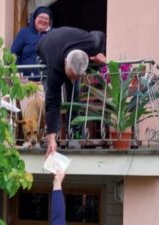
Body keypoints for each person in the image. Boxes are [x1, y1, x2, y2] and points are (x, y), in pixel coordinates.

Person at [36, 27, 107, 157]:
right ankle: (52, 136)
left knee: (74, 93)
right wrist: (52, 140)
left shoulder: (91, 43)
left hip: (70, 39)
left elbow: (99, 33)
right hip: (46, 45)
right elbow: (53, 104)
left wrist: (100, 53)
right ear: (64, 64)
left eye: (77, 77)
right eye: (71, 75)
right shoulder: (55, 66)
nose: (73, 80)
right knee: (52, 94)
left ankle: (74, 134)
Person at [10, 6, 53, 81]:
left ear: (49, 22)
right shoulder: (24, 33)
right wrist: (16, 72)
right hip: (25, 80)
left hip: (48, 81)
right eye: (41, 17)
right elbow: (13, 53)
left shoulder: (53, 35)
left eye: (46, 18)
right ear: (34, 19)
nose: (43, 20)